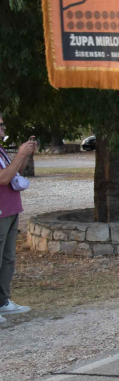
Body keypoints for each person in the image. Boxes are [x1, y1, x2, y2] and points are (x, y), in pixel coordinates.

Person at [0, 114, 35, 319]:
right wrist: (20, 154)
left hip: (11, 209)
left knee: (8, 259)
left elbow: (15, 172)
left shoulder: (1, 150)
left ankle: (3, 302)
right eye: (0, 125)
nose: (3, 128)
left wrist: (26, 155)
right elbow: (4, 178)